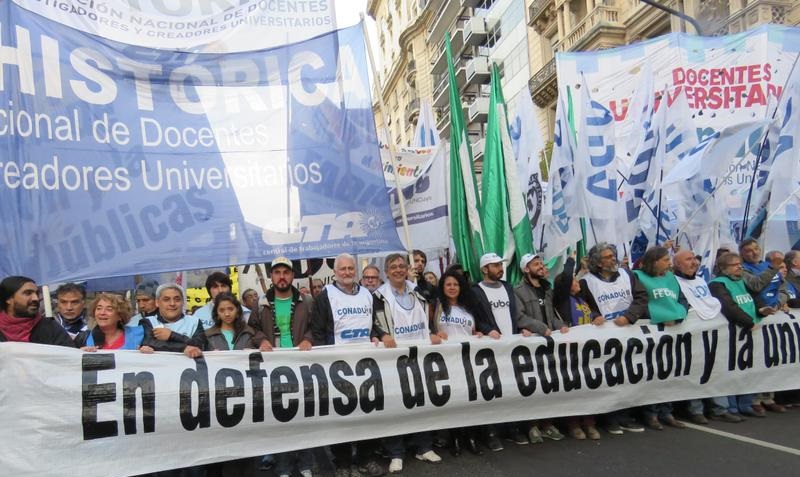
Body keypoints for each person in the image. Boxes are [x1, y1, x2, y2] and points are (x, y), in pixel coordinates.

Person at [310, 253, 394, 477]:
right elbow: (317, 331)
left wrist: (381, 335)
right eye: (342, 269)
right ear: (335, 272)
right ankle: (343, 461)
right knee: (341, 415)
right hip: (337, 368)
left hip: (367, 366)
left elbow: (376, 323)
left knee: (368, 412)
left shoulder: (368, 295)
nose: (347, 272)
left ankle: (366, 458)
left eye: (350, 268)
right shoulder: (325, 296)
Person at [373, 253, 443, 473]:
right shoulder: (378, 296)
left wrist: (431, 332)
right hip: (393, 359)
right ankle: (396, 452)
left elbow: (426, 318)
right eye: (393, 266)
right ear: (386, 271)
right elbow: (373, 323)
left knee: (422, 401)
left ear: (407, 268)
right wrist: (382, 334)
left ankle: (424, 446)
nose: (398, 270)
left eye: (401, 266)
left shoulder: (418, 292)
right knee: (395, 405)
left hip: (419, 355)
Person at [579, 243, 647, 435]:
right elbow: (582, 305)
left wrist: (630, 316)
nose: (613, 259)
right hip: (605, 338)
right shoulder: (587, 281)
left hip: (629, 333)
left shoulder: (627, 275)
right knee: (609, 377)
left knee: (629, 375)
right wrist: (593, 316)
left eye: (613, 255)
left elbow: (641, 297)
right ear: (598, 263)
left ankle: (625, 416)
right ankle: (610, 418)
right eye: (608, 257)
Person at [672, 250, 742, 424]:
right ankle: (696, 410)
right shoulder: (674, 282)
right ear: (677, 264)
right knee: (695, 371)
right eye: (688, 259)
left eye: (695, 258)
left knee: (717, 369)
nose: (694, 262)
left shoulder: (700, 280)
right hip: (692, 335)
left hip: (712, 332)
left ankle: (720, 408)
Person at [710, 252, 777, 418]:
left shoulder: (742, 280)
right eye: (735, 264)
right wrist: (749, 321)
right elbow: (728, 306)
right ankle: (732, 407)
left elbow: (755, 298)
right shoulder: (717, 284)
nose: (740, 267)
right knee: (731, 369)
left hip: (750, 330)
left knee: (750, 368)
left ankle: (746, 404)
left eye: (739, 264)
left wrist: (761, 310)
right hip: (734, 332)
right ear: (724, 268)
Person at [514, 252, 571, 442]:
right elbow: (520, 316)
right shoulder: (518, 290)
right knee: (533, 386)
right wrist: (541, 328)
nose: (541, 266)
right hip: (531, 347)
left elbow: (550, 314)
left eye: (541, 263)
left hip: (548, 345)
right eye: (536, 264)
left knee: (549, 385)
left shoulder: (547, 289)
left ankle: (548, 423)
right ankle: (532, 425)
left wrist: (559, 325)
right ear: (526, 269)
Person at [633, 247, 687, 430]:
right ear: (654, 261)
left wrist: (679, 315)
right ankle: (651, 413)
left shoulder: (671, 279)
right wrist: (662, 316)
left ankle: (667, 411)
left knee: (670, 373)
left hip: (673, 332)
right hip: (652, 332)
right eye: (665, 260)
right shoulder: (638, 276)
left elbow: (682, 301)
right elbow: (639, 302)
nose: (669, 263)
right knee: (653, 373)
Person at [434, 269, 486, 457]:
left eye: (455, 284)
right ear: (443, 287)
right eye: (448, 284)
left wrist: (479, 334)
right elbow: (429, 329)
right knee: (453, 401)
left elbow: (474, 330)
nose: (452, 288)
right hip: (446, 361)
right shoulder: (437, 306)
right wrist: (435, 334)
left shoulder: (468, 308)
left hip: (468, 360)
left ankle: (470, 437)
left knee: (470, 399)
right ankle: (455, 437)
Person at [469, 252, 517, 450]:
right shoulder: (476, 291)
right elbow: (474, 317)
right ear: (484, 269)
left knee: (512, 387)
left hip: (512, 346)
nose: (500, 268)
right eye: (495, 265)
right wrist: (488, 330)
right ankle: (491, 431)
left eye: (500, 265)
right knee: (492, 390)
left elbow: (514, 313)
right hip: (490, 349)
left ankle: (512, 427)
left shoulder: (507, 287)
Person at [552, 252, 600, 439]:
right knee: (574, 386)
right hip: (571, 350)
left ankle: (589, 422)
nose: (576, 281)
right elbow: (565, 278)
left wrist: (596, 315)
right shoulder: (563, 299)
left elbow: (593, 310)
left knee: (590, 386)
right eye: (573, 280)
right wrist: (571, 260)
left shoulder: (582, 299)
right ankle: (573, 424)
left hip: (588, 349)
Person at [738, 240, 788, 414]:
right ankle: (754, 398)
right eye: (749, 250)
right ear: (742, 254)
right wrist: (772, 269)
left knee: (772, 358)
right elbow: (756, 285)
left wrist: (778, 304)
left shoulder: (768, 266)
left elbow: (783, 289)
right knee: (757, 360)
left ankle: (768, 397)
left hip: (773, 315)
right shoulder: (743, 269)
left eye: (756, 249)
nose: (754, 252)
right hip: (757, 316)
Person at [0, 276, 74, 346]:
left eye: (37, 293)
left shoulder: (50, 327)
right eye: (28, 293)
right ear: (8, 299)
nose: (35, 298)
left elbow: (68, 356)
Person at [141, 283, 207, 358]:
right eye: (166, 300)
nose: (172, 304)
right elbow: (151, 343)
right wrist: (184, 348)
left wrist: (172, 335)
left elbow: (201, 345)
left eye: (177, 299)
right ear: (157, 302)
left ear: (183, 302)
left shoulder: (194, 322)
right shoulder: (148, 322)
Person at [75, 293, 150, 352]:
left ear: (120, 315)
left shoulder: (140, 335)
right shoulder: (83, 339)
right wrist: (78, 354)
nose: (102, 313)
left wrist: (148, 352)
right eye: (98, 308)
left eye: (109, 309)